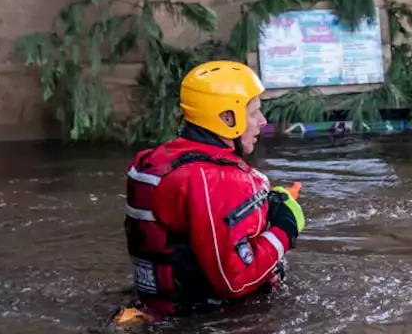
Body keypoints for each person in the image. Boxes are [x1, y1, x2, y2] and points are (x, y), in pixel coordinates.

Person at [121, 60, 306, 319]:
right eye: (253, 113)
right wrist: (286, 228)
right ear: (227, 118)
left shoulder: (156, 160)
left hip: (161, 312)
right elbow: (235, 281)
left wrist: (263, 206)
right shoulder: (215, 180)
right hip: (210, 325)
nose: (262, 122)